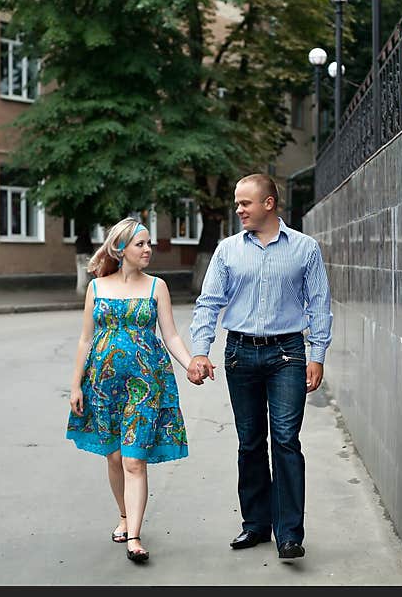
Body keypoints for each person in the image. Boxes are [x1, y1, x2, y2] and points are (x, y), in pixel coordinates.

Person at [188, 173, 332, 560]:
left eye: (244, 203)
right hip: (240, 354)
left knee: (285, 440)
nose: (238, 209)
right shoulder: (227, 250)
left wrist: (316, 355)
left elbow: (319, 303)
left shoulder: (305, 248)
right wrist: (200, 351)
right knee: (250, 442)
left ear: (269, 203)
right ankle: (255, 525)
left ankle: (289, 535)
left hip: (287, 354)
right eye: (237, 203)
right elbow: (209, 303)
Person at [66, 217, 192, 563]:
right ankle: (124, 515)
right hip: (103, 386)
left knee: (135, 460)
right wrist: (76, 385)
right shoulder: (97, 288)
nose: (148, 249)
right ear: (120, 249)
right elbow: (85, 339)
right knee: (115, 457)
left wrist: (191, 363)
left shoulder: (157, 287)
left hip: (147, 384)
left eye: (149, 243)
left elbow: (172, 336)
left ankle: (134, 536)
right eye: (140, 244)